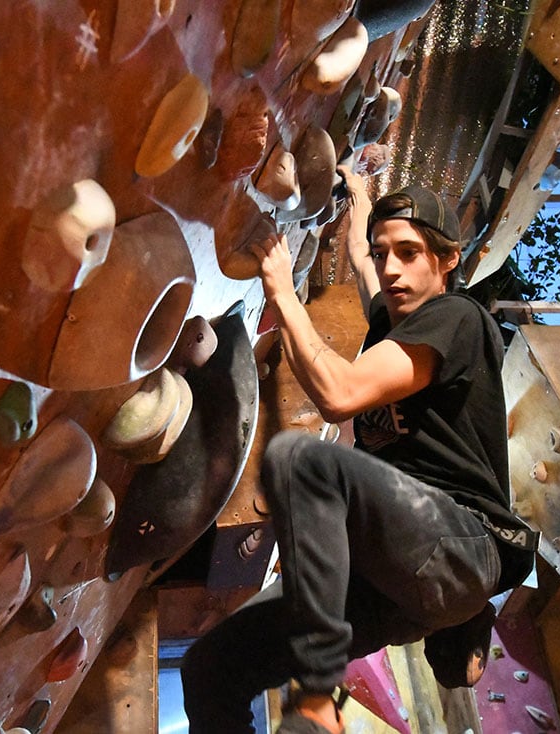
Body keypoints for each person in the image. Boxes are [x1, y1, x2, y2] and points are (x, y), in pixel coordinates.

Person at [180, 168, 536, 734]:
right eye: (383, 251)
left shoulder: (457, 318)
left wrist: (279, 286)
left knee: (304, 462)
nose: (391, 268)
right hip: (394, 584)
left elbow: (339, 395)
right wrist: (361, 190)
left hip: (461, 547)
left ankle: (318, 698)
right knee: (209, 669)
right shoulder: (393, 317)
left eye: (410, 253)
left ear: (447, 261)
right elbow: (365, 264)